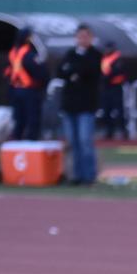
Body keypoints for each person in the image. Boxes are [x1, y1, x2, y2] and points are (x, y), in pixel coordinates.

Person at [57, 23, 103, 185]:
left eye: (86, 36)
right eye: (80, 36)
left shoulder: (96, 55)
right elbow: (61, 71)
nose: (82, 39)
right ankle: (75, 176)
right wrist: (73, 72)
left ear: (91, 38)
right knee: (73, 142)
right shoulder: (70, 53)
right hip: (69, 105)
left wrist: (74, 71)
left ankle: (89, 176)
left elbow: (89, 71)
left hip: (87, 105)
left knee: (85, 141)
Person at [4, 27, 47, 140]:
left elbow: (7, 73)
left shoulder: (12, 54)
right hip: (29, 92)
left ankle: (17, 144)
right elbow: (41, 73)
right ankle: (31, 146)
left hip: (15, 91)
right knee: (32, 120)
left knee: (19, 121)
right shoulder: (29, 54)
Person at [99, 41, 128, 140]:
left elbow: (117, 71)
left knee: (119, 110)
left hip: (116, 87)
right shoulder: (104, 58)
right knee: (106, 110)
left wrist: (105, 78)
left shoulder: (118, 58)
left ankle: (124, 131)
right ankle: (109, 131)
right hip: (106, 87)